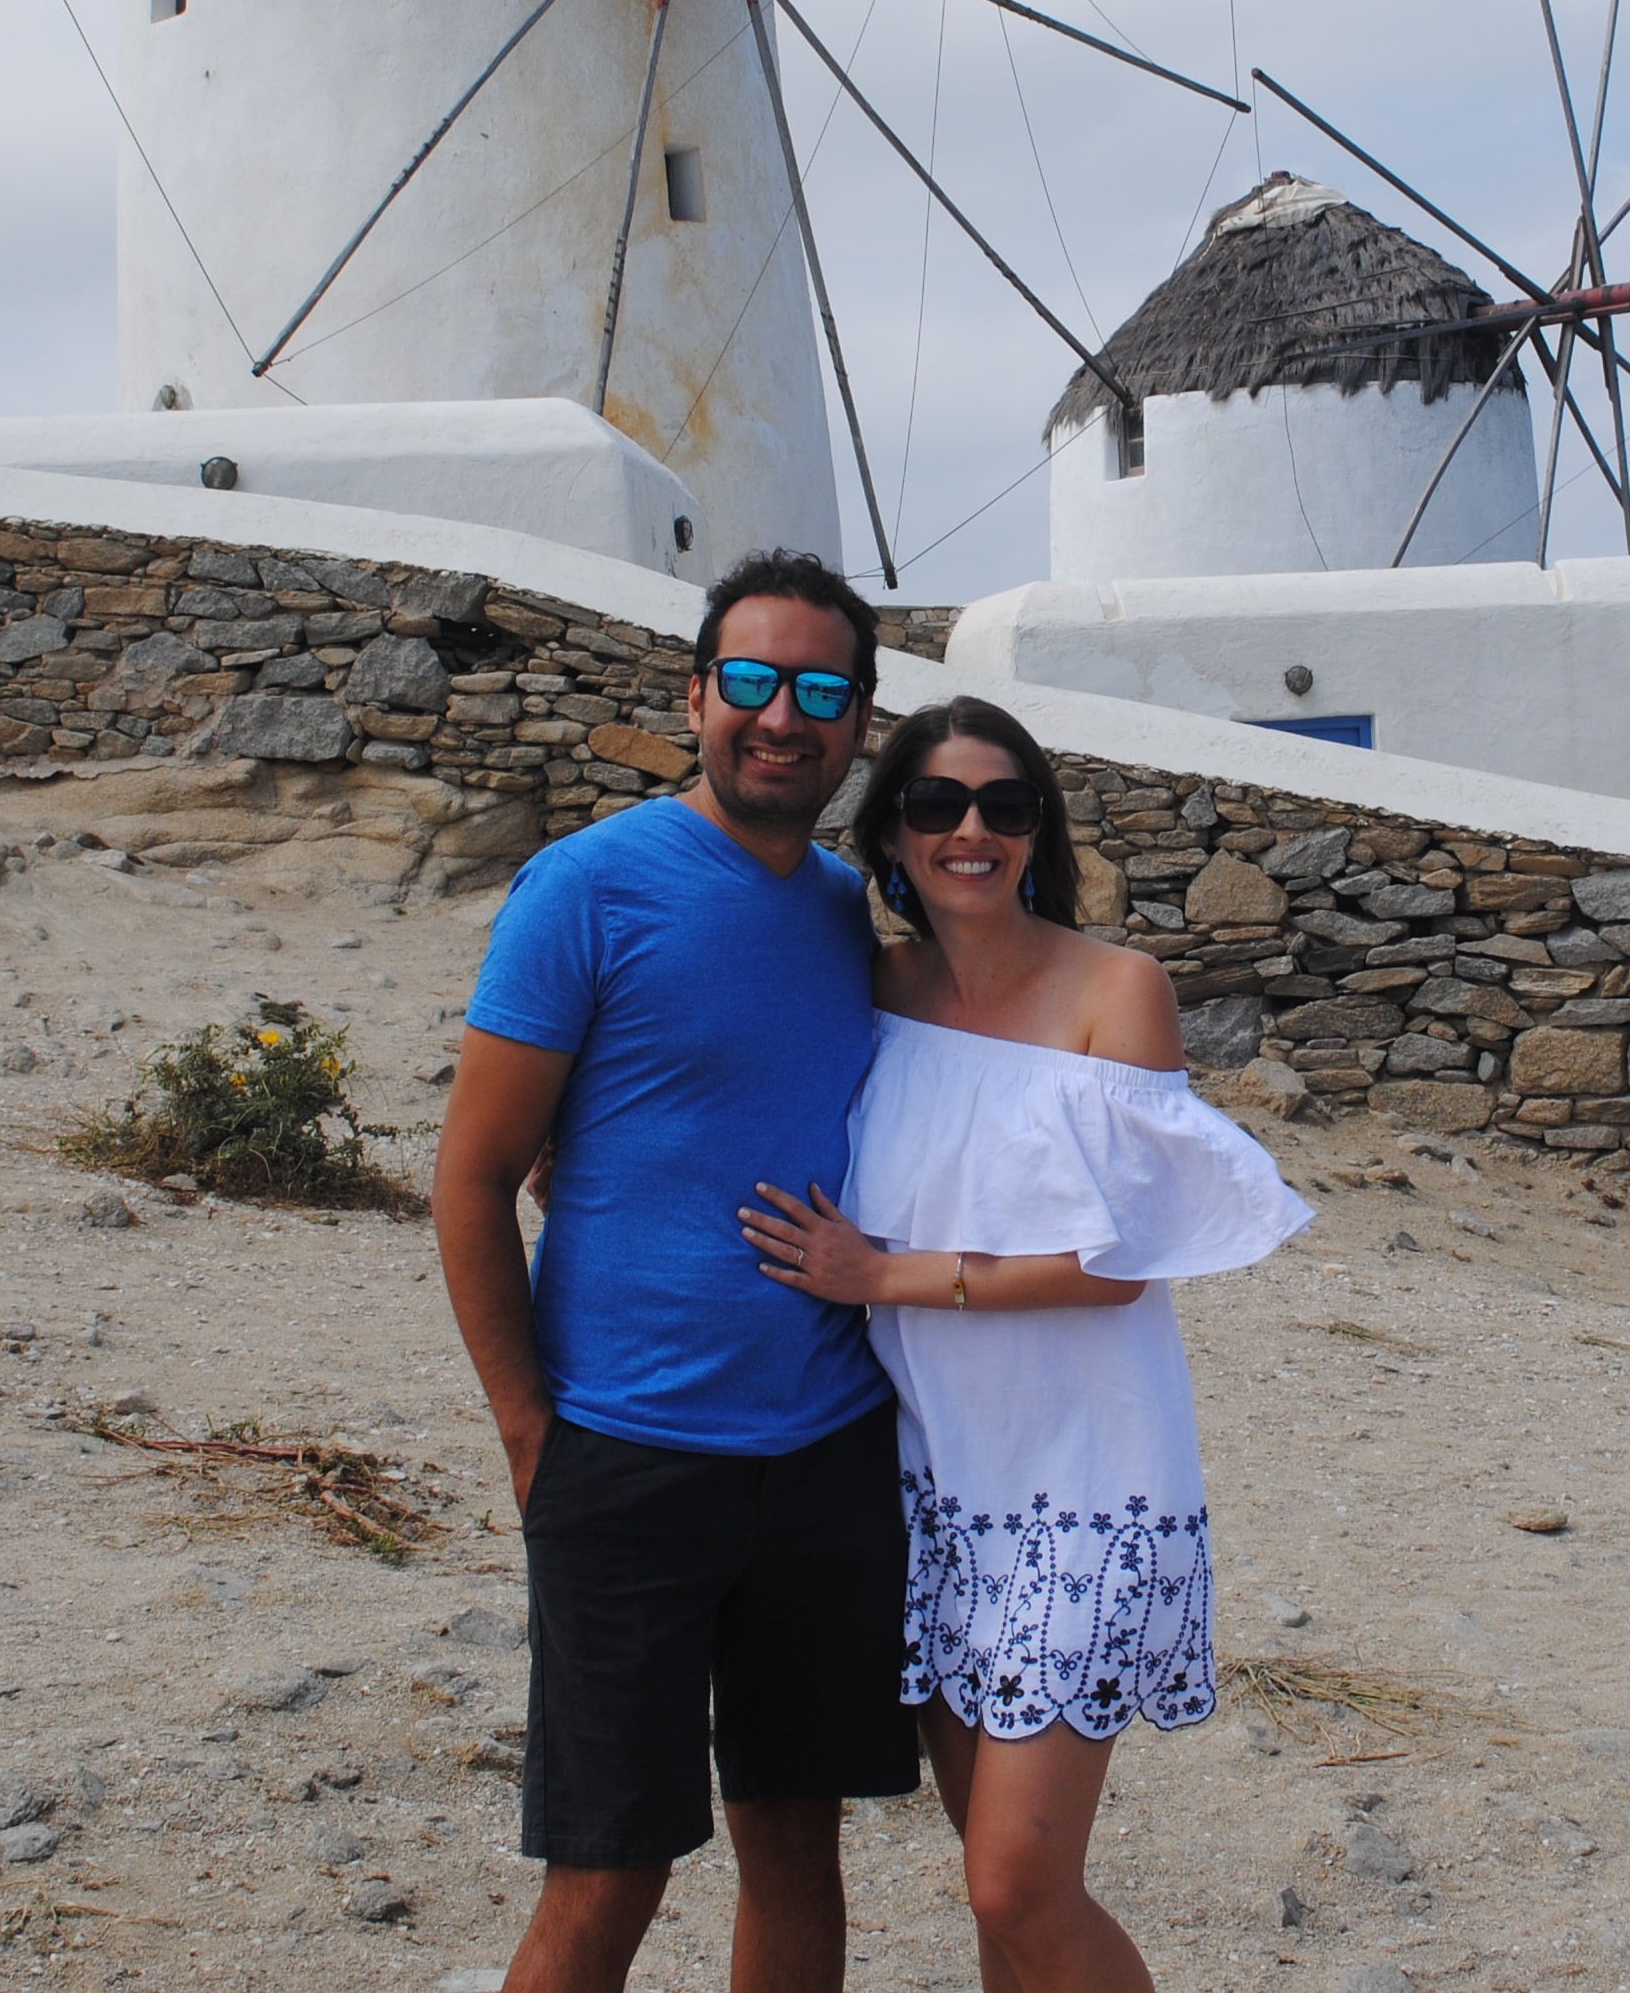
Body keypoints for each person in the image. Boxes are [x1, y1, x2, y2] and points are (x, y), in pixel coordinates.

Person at [740, 695, 1312, 1993]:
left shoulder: (1119, 993)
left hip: (1089, 1494)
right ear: (891, 829)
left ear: (1037, 829)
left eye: (1005, 805)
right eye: (937, 805)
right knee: (998, 1892)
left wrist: (883, 1274)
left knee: (1015, 1881)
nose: (971, 832)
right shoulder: (872, 990)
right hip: (934, 1489)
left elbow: (1117, 1266)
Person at [431, 550, 920, 1993]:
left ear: (856, 721)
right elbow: (468, 1180)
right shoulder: (586, 888)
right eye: (753, 682)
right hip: (625, 1457)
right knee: (609, 1870)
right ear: (696, 695)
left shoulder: (849, 914)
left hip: (828, 1454)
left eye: (821, 690)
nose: (784, 717)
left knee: (795, 1842)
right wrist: (530, 1433)